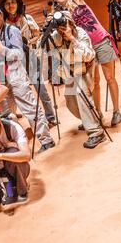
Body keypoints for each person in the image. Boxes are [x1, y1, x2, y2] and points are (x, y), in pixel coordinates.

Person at [51, 0, 121, 126]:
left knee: (110, 77)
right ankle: (97, 114)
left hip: (100, 40)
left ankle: (116, 111)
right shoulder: (58, 15)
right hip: (84, 48)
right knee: (94, 82)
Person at [0, 4, 55, 154]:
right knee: (6, 115)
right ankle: (15, 143)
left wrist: (1, 48)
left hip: (16, 77)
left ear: (1, 15)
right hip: (1, 80)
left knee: (30, 108)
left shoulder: (12, 30)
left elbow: (18, 54)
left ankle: (46, 140)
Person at [0, 0, 57, 127]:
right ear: (4, 7)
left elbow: (37, 34)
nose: (10, 5)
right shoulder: (4, 24)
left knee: (41, 89)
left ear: (17, 4)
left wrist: (28, 42)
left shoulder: (27, 18)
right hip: (15, 62)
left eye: (13, 2)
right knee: (25, 93)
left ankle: (50, 117)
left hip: (30, 56)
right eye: (7, 3)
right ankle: (37, 122)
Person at [48, 11, 105, 148]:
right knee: (71, 104)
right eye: (59, 27)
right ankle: (90, 119)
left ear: (71, 23)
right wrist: (46, 33)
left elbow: (89, 55)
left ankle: (96, 132)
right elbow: (46, 51)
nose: (62, 29)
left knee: (82, 95)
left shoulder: (80, 33)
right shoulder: (55, 36)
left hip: (84, 69)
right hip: (69, 71)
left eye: (65, 25)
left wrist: (72, 39)